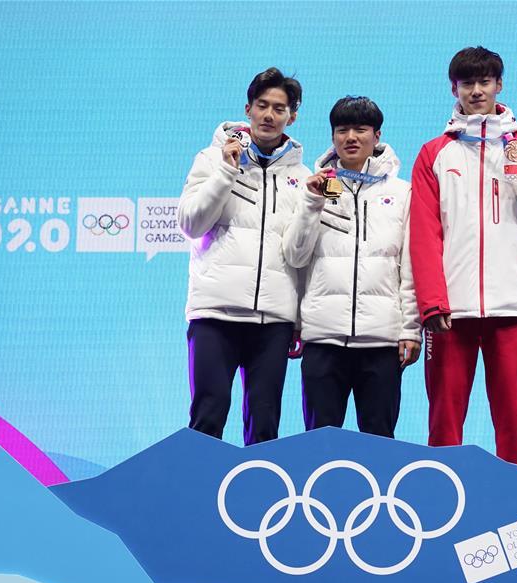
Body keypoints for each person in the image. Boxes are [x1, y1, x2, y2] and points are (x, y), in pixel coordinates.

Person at [409, 47, 517, 466]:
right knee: (444, 430)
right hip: (450, 313)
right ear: (453, 89)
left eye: (484, 82)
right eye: (467, 83)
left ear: (500, 85)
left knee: (514, 430)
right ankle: (440, 515)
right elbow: (424, 234)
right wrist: (431, 303)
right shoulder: (434, 154)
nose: (476, 91)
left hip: (513, 306)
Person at [177, 67, 311, 445]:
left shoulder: (302, 177)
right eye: (262, 106)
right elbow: (191, 223)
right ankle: (198, 499)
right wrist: (225, 171)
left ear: (292, 116)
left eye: (279, 108)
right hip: (215, 313)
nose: (269, 115)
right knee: (208, 415)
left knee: (265, 424)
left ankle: (261, 502)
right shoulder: (211, 158)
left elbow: (301, 254)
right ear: (248, 108)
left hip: (273, 320)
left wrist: (298, 319)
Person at [284, 96, 421, 437]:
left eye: (360, 129)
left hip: (381, 341)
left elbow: (410, 266)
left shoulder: (403, 193)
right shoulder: (313, 188)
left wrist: (410, 329)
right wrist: (312, 202)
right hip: (324, 338)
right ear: (332, 137)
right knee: (319, 444)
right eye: (342, 130)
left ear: (377, 136)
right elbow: (296, 257)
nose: (351, 138)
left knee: (380, 444)